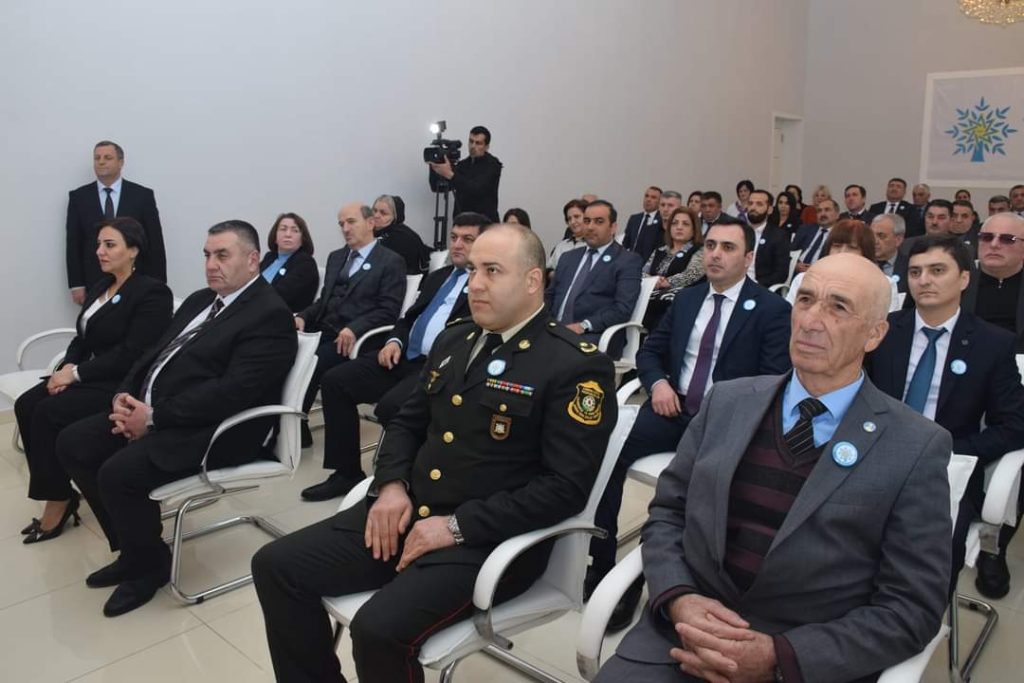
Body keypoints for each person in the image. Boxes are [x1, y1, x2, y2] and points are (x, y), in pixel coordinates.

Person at [251, 224, 617, 683]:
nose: (475, 283)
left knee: (378, 630)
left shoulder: (575, 364)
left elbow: (565, 488)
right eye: (473, 270)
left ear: (532, 281)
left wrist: (456, 527)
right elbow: (406, 423)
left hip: (486, 540)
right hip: (406, 510)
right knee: (276, 566)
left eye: (492, 271)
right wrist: (390, 486)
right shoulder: (455, 339)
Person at [597, 253, 953, 683]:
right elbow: (669, 513)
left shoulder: (914, 446)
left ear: (875, 334)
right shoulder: (727, 401)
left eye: (838, 307)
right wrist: (679, 598)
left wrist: (779, 656)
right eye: (805, 300)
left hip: (802, 659)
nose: (811, 321)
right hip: (684, 636)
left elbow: (911, 608)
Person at [56, 220, 297, 617]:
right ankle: (138, 549)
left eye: (223, 255)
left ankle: (147, 569)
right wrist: (124, 397)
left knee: (118, 474)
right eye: (207, 255)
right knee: (73, 443)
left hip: (218, 431)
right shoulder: (202, 299)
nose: (211, 265)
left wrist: (153, 418)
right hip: (162, 411)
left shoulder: (269, 314)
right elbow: (152, 353)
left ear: (253, 260)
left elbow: (231, 393)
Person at [590, 220, 791, 632]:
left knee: (686, 491)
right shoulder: (687, 299)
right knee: (605, 452)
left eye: (728, 247)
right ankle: (604, 564)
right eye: (711, 245)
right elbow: (650, 352)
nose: (715, 254)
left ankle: (654, 581)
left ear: (748, 258)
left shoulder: (771, 310)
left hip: (725, 425)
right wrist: (658, 384)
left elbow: (770, 381)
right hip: (673, 409)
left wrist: (723, 415)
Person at [867, 235, 1024, 600]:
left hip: (946, 467)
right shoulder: (883, 330)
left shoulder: (993, 343)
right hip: (875, 454)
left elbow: (1014, 425)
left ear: (964, 278)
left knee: (928, 558)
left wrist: (953, 450)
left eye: (937, 270)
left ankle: (918, 617)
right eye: (915, 272)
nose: (924, 280)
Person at [300, 212, 490, 502]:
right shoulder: (438, 277)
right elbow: (408, 317)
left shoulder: (483, 287)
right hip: (403, 356)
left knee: (392, 407)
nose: (457, 245)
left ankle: (400, 479)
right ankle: (346, 472)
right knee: (336, 381)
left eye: (467, 239)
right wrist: (394, 340)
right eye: (453, 238)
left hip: (438, 367)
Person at [15, 218, 173, 544]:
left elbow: (132, 353)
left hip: (120, 384)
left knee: (46, 413)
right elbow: (82, 338)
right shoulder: (101, 286)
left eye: (109, 245)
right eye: (99, 244)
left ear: (133, 250)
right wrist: (66, 367)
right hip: (90, 374)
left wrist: (75, 375)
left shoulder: (152, 292)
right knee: (26, 404)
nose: (100, 251)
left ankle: (58, 501)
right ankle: (60, 491)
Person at [295, 203, 407, 445]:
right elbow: (324, 301)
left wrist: (355, 328)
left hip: (358, 337)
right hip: (324, 328)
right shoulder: (336, 257)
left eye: (351, 222)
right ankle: (280, 419)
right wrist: (303, 316)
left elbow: (389, 310)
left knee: (313, 360)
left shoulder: (390, 261)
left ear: (371, 223)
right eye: (341, 224)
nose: (345, 228)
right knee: (283, 349)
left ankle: (294, 424)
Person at [66, 141, 167, 304]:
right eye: (97, 158)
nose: (101, 162)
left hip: (136, 278)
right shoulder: (79, 197)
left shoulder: (142, 195)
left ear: (120, 162)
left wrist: (158, 282)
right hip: (94, 279)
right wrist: (76, 284)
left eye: (107, 157)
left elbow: (155, 242)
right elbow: (74, 243)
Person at [545, 200, 643, 357]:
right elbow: (550, 296)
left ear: (613, 227)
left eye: (599, 221)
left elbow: (622, 309)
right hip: (554, 330)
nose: (590, 227)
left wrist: (583, 326)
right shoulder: (568, 257)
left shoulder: (627, 261)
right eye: (587, 221)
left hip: (592, 334)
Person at [788, 219, 895, 310]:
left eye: (852, 247)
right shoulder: (804, 279)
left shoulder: (884, 284)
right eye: (837, 246)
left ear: (866, 252)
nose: (842, 252)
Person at [640, 206, 707, 330]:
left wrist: (667, 282)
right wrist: (654, 281)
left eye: (685, 224)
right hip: (652, 297)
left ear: (694, 229)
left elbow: (691, 274)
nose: (679, 227)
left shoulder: (700, 250)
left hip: (681, 303)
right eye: (675, 223)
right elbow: (642, 273)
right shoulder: (660, 250)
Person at [427, 125, 502, 222]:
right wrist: (434, 166)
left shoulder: (493, 165)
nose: (473, 146)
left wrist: (450, 174)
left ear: (486, 147)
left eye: (478, 143)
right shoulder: (463, 165)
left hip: (484, 224)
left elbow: (476, 189)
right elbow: (437, 187)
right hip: (462, 222)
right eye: (471, 141)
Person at [259, 212, 319, 312]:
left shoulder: (306, 263)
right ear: (275, 236)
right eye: (283, 229)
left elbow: (279, 296)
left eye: (295, 231)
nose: (288, 234)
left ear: (303, 239)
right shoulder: (269, 257)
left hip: (280, 315)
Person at [372, 195, 428, 274]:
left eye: (383, 213)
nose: (376, 216)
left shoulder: (401, 237)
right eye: (374, 211)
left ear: (395, 217)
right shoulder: (378, 232)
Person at [747, 190, 792, 287]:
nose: (753, 207)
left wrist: (756, 285)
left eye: (759, 204)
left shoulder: (778, 236)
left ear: (770, 210)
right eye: (750, 203)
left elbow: (781, 274)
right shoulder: (738, 232)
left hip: (759, 287)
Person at [792, 197, 839, 272]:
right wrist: (795, 264)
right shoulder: (804, 229)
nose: (822, 214)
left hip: (821, 274)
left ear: (837, 215)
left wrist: (816, 269)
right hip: (796, 272)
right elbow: (790, 252)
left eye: (827, 210)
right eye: (819, 211)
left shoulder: (840, 236)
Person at [622, 186, 664, 262]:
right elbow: (626, 243)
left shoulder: (662, 221)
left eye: (653, 197)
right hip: (630, 261)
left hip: (650, 263)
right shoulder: (634, 219)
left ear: (660, 202)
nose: (648, 199)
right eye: (646, 196)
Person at [872, 213, 909, 293]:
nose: (874, 241)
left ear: (898, 240)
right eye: (871, 235)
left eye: (881, 236)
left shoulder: (909, 266)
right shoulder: (861, 263)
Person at [549, 198, 588, 270]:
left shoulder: (594, 245)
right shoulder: (561, 246)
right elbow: (548, 268)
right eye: (569, 219)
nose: (572, 222)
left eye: (576, 217)